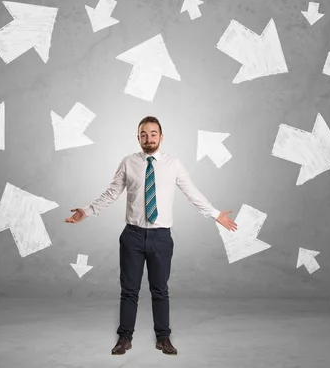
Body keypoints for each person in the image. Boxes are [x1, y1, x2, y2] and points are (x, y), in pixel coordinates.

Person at [65, 116, 238, 356]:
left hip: (161, 237)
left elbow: (192, 193)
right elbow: (112, 192)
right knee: (129, 291)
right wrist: (87, 210)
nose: (149, 138)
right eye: (143, 134)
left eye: (153, 133)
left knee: (160, 290)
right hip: (132, 237)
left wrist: (216, 214)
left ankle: (163, 338)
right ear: (138, 137)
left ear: (161, 136)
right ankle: (124, 338)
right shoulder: (128, 162)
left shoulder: (173, 163)